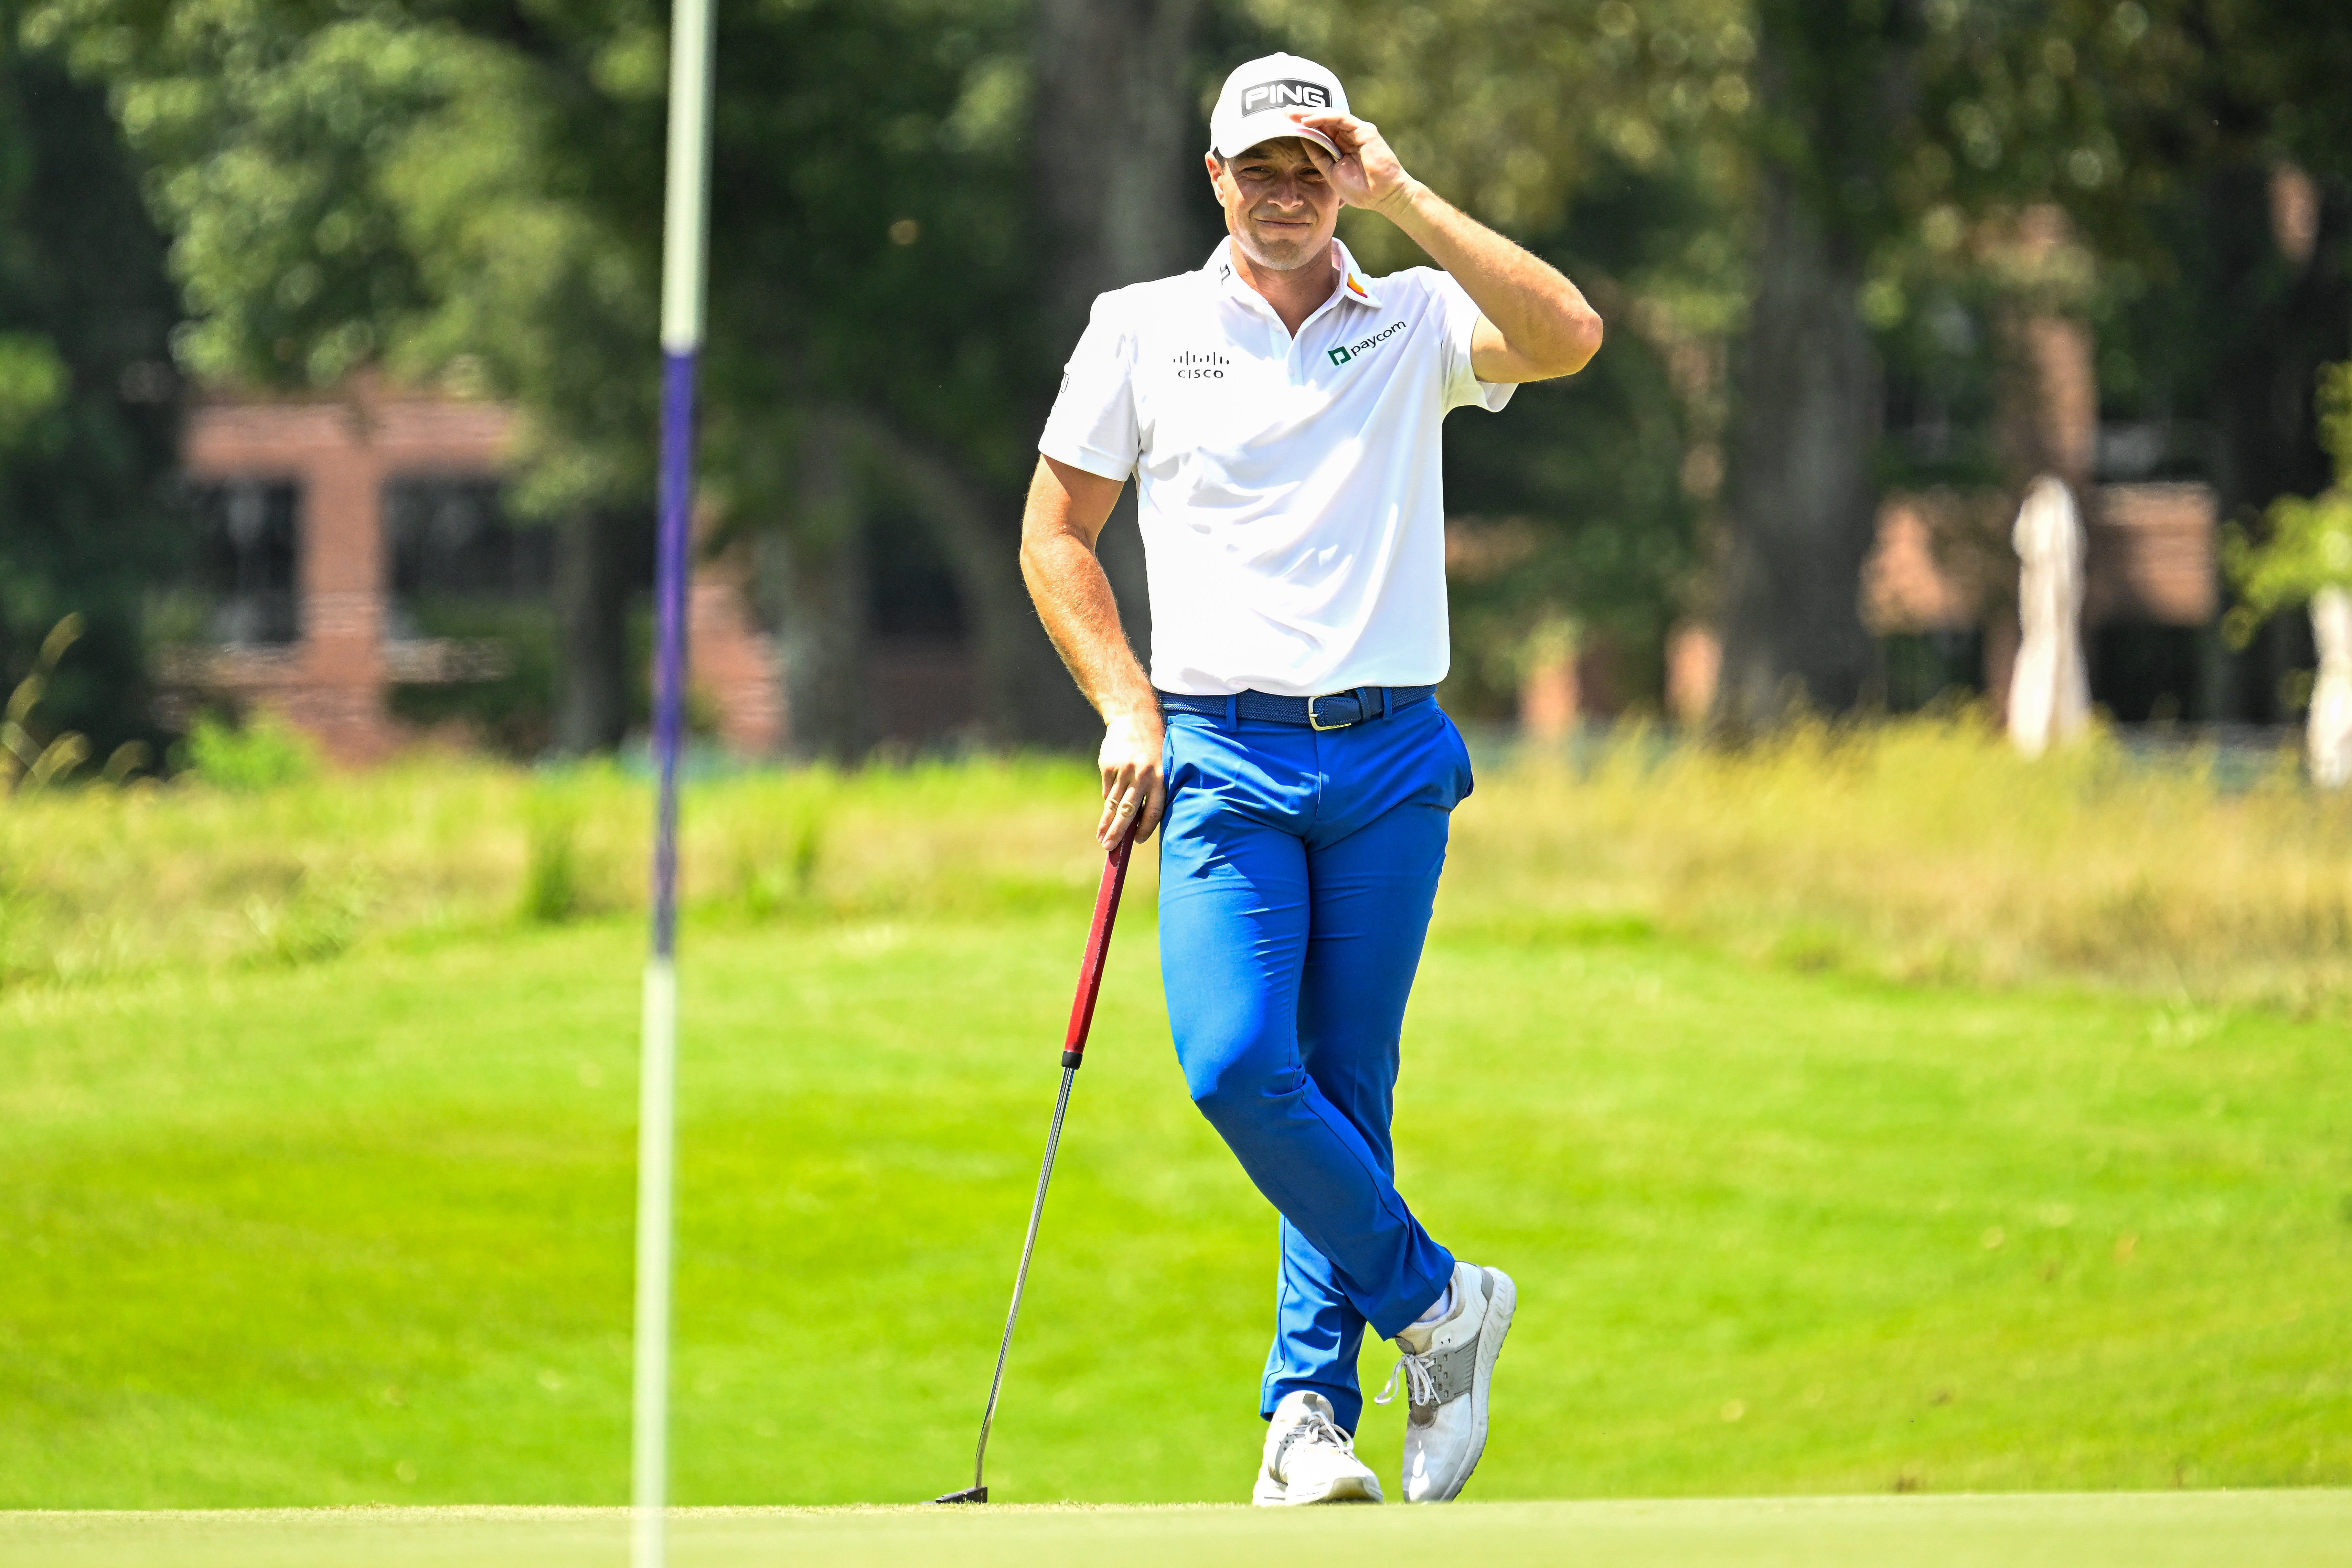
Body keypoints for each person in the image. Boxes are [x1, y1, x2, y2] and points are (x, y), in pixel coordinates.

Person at [1020, 51, 1602, 1505]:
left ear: (1341, 174)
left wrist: (1403, 193)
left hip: (1391, 752)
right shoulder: (1140, 329)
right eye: (1259, 170)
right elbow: (1053, 536)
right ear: (1212, 180)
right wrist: (1124, 705)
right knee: (1233, 1064)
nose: (1286, 195)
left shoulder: (1408, 317)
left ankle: (1302, 1420)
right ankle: (1438, 1308)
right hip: (1218, 749)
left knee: (1344, 1085)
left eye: (1312, 167)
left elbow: (1570, 332)